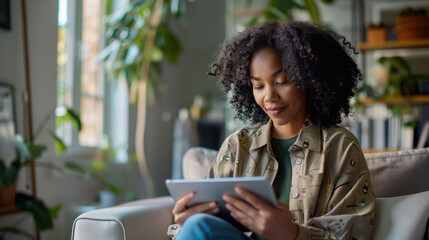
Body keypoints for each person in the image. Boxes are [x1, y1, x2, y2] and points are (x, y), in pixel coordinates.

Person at [168, 21, 376, 240]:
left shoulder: (340, 147)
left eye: (282, 81)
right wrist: (185, 222)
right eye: (258, 86)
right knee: (198, 225)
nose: (269, 96)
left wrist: (292, 233)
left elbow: (356, 232)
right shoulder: (238, 146)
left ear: (311, 80)